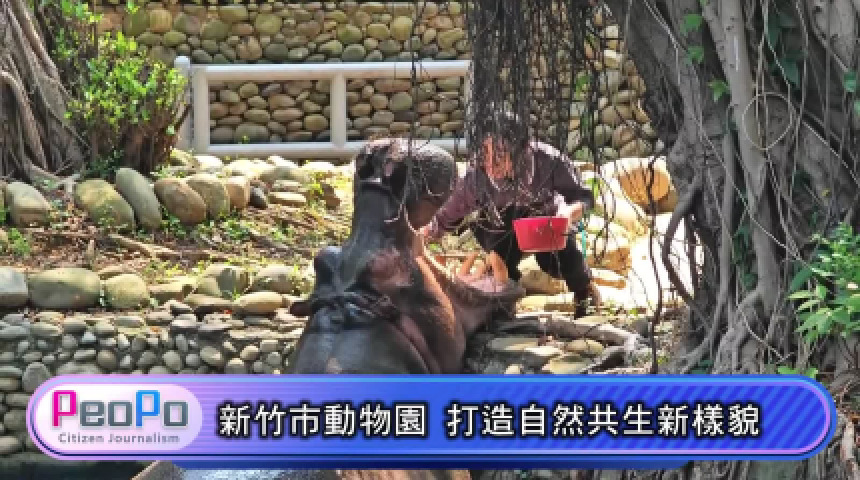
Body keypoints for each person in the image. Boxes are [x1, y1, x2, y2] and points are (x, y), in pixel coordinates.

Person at [419, 111, 600, 318]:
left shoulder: (549, 160)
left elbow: (583, 197)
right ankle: (503, 306)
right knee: (499, 259)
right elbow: (446, 216)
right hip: (500, 223)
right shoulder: (475, 177)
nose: (490, 162)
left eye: (499, 154)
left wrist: (568, 213)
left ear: (521, 149)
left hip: (545, 218)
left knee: (561, 260)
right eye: (484, 152)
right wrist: (423, 233)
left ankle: (584, 293)